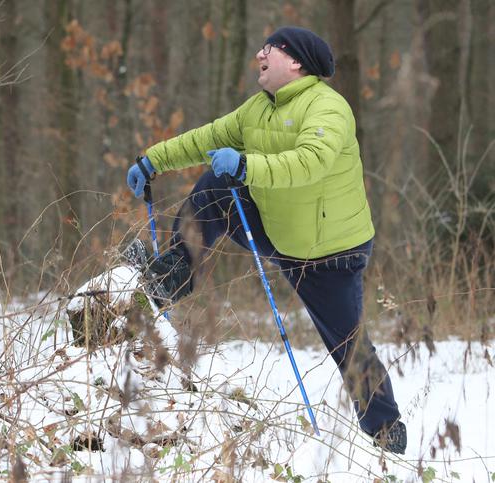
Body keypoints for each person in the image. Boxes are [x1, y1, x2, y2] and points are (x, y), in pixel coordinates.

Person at [124, 26, 406, 454]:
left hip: (328, 254)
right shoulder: (258, 109)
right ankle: (171, 277)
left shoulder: (328, 108)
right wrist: (153, 160)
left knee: (349, 344)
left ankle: (387, 434)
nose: (259, 53)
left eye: (268, 49)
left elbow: (309, 162)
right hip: (278, 231)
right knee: (214, 185)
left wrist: (247, 166)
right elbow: (208, 138)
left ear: (294, 61)